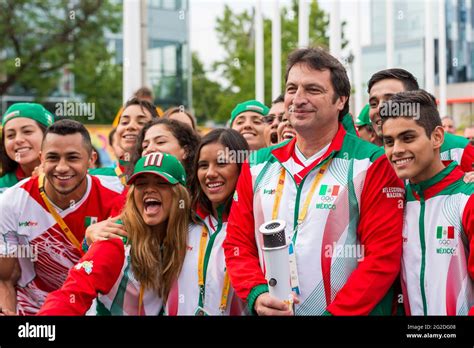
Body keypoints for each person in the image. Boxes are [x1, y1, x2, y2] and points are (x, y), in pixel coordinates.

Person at [224, 47, 404, 316]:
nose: (298, 99)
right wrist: (256, 294)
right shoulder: (256, 164)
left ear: (340, 100)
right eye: (292, 89)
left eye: (313, 90)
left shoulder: (372, 162)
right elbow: (238, 244)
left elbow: (381, 259)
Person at [38, 152, 191, 315]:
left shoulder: (192, 233)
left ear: (179, 194)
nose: (149, 190)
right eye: (141, 184)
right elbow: (73, 293)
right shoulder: (116, 239)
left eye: (161, 183)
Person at [0, 119, 122, 315]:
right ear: (41, 159)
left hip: (93, 308)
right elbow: (5, 277)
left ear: (91, 159)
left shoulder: (116, 192)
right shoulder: (11, 202)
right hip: (32, 313)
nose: (62, 167)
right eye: (53, 158)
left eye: (72, 158)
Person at [381, 90, 473, 315]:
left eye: (408, 137)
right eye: (389, 141)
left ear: (437, 137)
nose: (397, 150)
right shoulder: (393, 202)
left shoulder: (467, 198)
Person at [166, 129, 248, 315]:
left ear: (241, 167)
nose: (210, 173)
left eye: (221, 163)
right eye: (203, 165)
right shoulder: (182, 218)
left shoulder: (254, 226)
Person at [83, 118, 200, 246]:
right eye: (145, 146)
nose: (149, 149)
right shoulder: (132, 200)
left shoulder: (205, 201)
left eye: (160, 142)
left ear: (186, 151)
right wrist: (91, 236)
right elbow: (107, 242)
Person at [368, 68, 474, 172]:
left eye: (391, 101)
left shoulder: (460, 150)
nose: (380, 109)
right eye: (373, 104)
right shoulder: (376, 160)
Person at [90, 97, 158, 189]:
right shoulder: (94, 179)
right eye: (124, 122)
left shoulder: (168, 178)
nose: (130, 126)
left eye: (141, 122)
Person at [0, 103, 54, 194]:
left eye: (27, 131)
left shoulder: (79, 177)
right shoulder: (3, 186)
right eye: (10, 135)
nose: (18, 140)